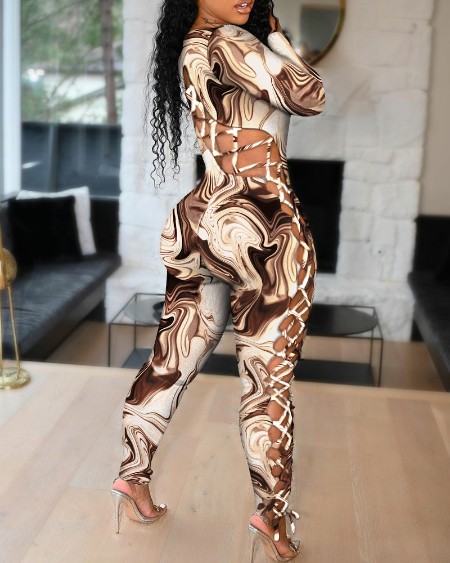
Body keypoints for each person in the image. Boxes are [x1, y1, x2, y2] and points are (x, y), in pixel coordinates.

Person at [111, 0, 325, 560]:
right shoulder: (234, 42)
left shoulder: (191, 48)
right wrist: (278, 40)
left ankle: (132, 477)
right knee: (266, 383)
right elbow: (310, 95)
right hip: (264, 227)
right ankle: (271, 517)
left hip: (200, 220)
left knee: (172, 359)